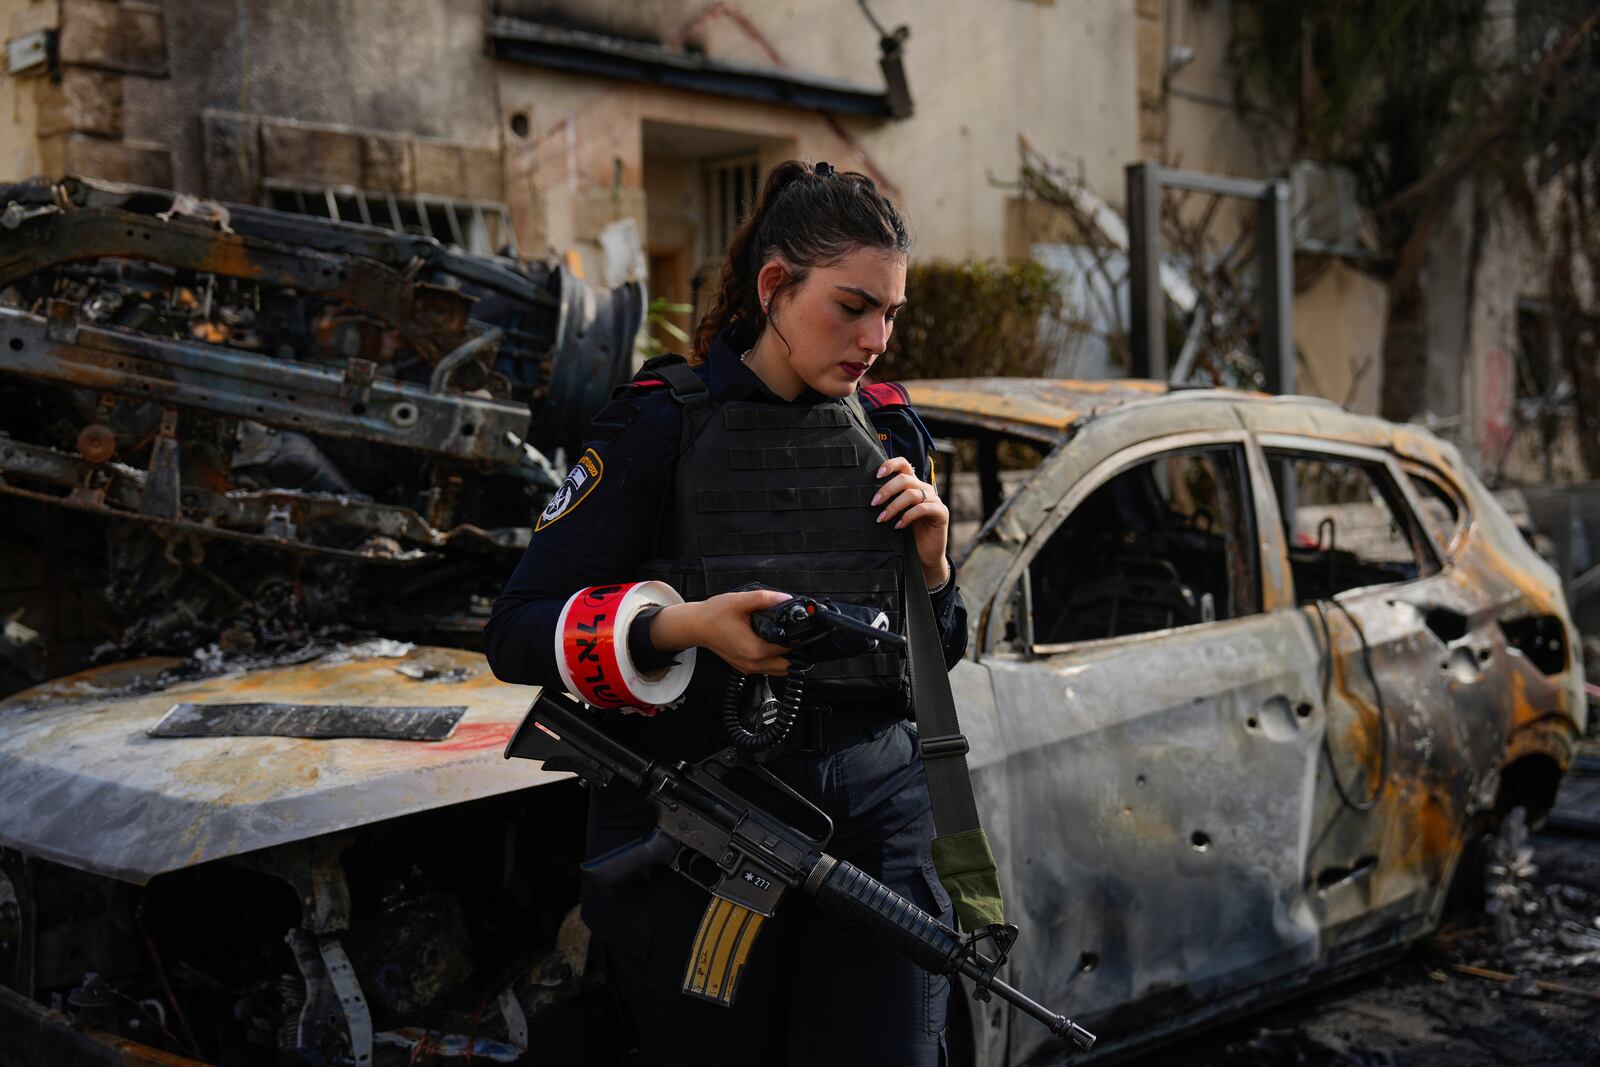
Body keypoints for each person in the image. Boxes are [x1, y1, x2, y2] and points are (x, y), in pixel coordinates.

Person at [485, 160, 967, 1066]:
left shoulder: (894, 431)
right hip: (705, 813)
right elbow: (516, 628)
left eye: (891, 313)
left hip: (876, 824)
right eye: (852, 306)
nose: (876, 339)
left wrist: (935, 571)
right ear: (775, 286)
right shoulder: (656, 426)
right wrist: (685, 627)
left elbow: (936, 659)